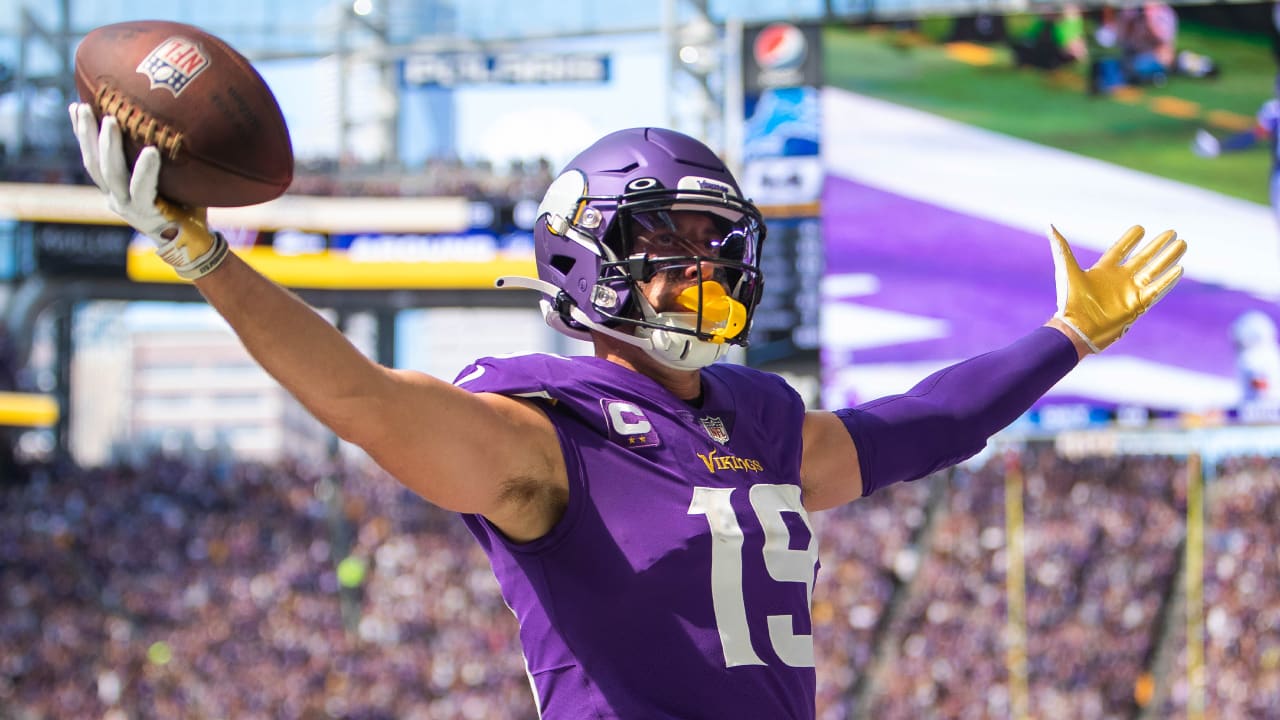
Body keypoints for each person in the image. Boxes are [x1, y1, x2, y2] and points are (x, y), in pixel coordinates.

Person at [68, 104, 1186, 719]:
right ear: (586, 257)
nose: (700, 274)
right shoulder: (541, 427)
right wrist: (204, 254)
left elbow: (912, 430)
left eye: (716, 248)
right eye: (667, 251)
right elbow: (360, 397)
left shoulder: (753, 415)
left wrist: (1064, 340)